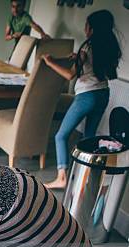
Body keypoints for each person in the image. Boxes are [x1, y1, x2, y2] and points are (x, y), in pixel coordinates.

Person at [43, 10, 121, 189]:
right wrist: (78, 58)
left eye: (87, 26)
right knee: (89, 136)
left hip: (86, 96)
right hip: (103, 94)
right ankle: (86, 176)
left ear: (92, 29)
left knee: (61, 135)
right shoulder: (108, 46)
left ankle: (62, 177)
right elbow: (96, 66)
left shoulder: (87, 47)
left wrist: (49, 62)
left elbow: (70, 75)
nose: (85, 29)